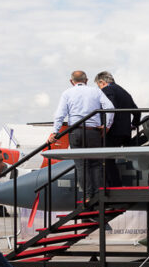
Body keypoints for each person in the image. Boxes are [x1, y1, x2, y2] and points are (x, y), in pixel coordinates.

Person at [48, 70, 114, 202]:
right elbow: (110, 107)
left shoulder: (67, 93)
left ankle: (88, 195)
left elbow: (60, 114)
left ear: (71, 81)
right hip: (93, 132)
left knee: (81, 165)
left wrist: (55, 132)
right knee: (96, 164)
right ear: (87, 80)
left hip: (76, 131)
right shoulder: (95, 91)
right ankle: (99, 194)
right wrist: (106, 125)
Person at [94, 71, 141, 187]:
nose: (99, 88)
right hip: (125, 132)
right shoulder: (125, 92)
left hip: (112, 131)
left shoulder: (107, 90)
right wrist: (133, 125)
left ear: (102, 82)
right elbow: (137, 112)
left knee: (106, 160)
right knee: (112, 159)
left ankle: (114, 186)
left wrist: (105, 125)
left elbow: (110, 108)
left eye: (98, 85)